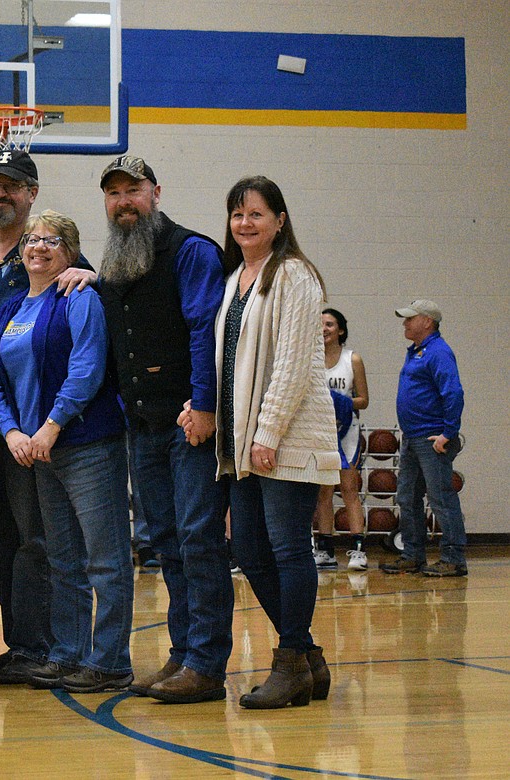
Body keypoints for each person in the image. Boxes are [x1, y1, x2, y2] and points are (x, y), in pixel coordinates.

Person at [95, 155, 234, 704]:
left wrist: (204, 405)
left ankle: (207, 662)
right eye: (114, 193)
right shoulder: (112, 264)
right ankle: (183, 653)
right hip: (144, 425)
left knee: (199, 540)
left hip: (189, 423)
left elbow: (206, 333)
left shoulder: (193, 251)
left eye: (135, 190)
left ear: (157, 192)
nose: (124, 200)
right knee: (168, 543)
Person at [0, 210, 134, 693]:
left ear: (69, 252)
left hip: (86, 444)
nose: (39, 247)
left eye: (52, 241)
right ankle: (68, 654)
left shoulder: (78, 297)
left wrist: (50, 427)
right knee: (62, 559)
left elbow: (87, 369)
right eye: (32, 239)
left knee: (104, 559)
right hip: (35, 451)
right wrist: (11, 432)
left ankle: (110, 660)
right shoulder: (8, 310)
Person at [204, 175, 339, 709]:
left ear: (279, 221)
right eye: (237, 214)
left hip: (284, 437)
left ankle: (290, 665)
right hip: (244, 441)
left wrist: (267, 433)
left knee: (286, 548)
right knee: (249, 548)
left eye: (256, 214)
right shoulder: (237, 276)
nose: (244, 224)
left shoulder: (295, 274)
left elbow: (293, 364)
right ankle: (306, 657)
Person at [0, 152, 91, 682]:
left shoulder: (52, 257)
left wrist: (89, 273)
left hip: (33, 424)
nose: (0, 194)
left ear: (31, 193)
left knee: (38, 537)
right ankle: (20, 642)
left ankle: (49, 646)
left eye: (11, 186)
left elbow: (87, 301)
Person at [380, 300, 467, 577]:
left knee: (441, 498)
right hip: (413, 436)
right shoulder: (418, 351)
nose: (404, 323)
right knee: (407, 497)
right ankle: (412, 553)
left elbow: (453, 393)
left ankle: (453, 558)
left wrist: (447, 433)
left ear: (427, 321)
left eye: (410, 319)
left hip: (431, 439)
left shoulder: (439, 352)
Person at [312, 308, 370, 571]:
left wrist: (340, 401)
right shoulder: (310, 361)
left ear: (341, 330)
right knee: (323, 491)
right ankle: (325, 550)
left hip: (346, 431)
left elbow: (364, 400)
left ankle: (358, 551)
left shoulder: (352, 359)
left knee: (348, 489)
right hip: (319, 432)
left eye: (330, 324)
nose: (324, 329)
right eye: (320, 324)